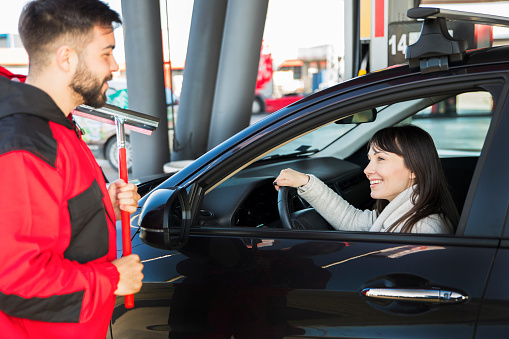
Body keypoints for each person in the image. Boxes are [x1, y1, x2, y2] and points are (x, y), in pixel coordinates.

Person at [0, 1, 144, 338]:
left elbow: (51, 221)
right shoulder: (27, 141)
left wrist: (100, 205)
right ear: (67, 58)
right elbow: (15, 280)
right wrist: (113, 279)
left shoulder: (58, 126)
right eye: (106, 52)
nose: (114, 66)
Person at [274, 125, 459, 234]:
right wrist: (306, 182)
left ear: (414, 170)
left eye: (381, 159)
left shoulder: (422, 227)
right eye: (370, 159)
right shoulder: (404, 212)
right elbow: (351, 221)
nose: (368, 170)